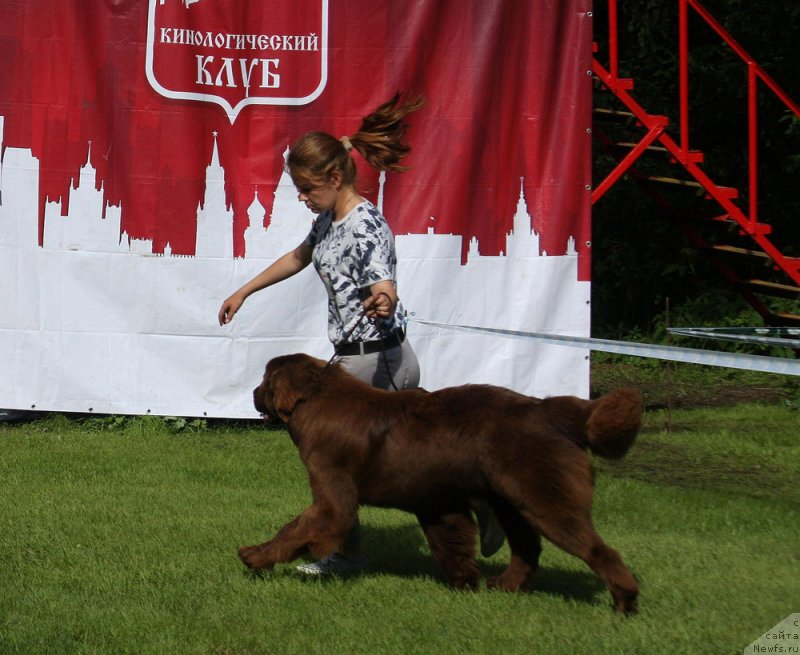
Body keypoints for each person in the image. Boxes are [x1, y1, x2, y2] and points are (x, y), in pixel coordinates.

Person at [218, 94, 424, 575]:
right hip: (355, 359)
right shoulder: (329, 222)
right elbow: (297, 256)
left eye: (307, 188)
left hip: (378, 363)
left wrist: (386, 297)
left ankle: (345, 556)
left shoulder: (367, 224)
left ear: (335, 178)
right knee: (395, 468)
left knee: (340, 466)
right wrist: (244, 291)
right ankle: (352, 552)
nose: (302, 197)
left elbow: (382, 280)